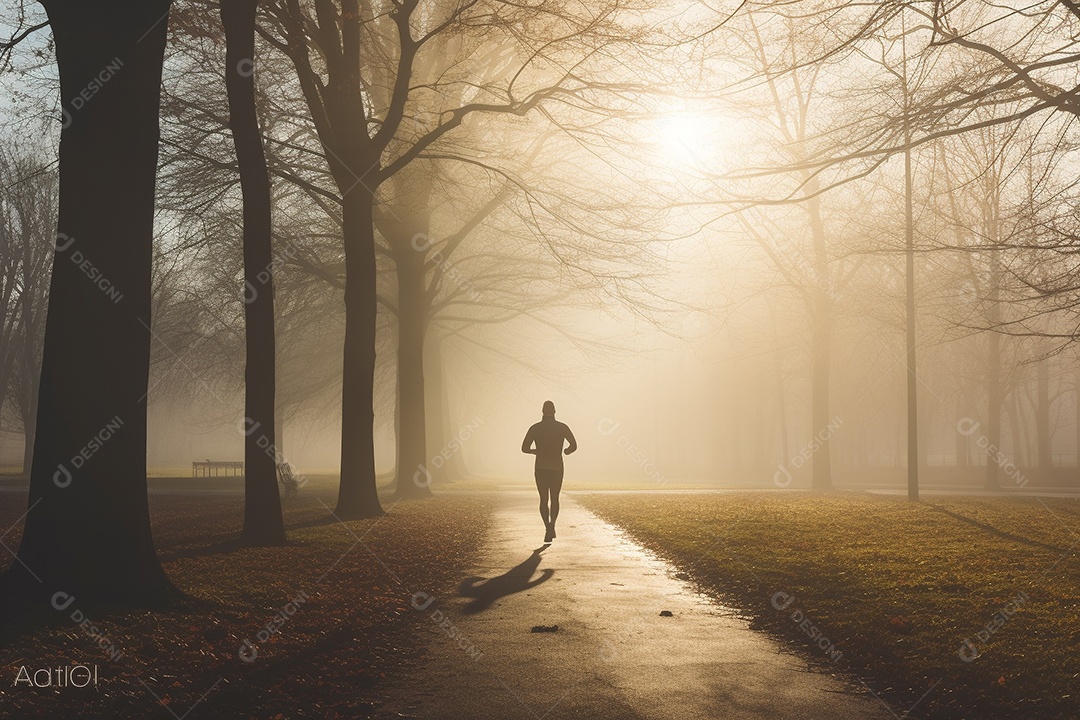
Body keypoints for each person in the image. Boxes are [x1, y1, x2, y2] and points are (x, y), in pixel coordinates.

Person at [521, 400, 577, 543]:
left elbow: (524, 448)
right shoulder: (562, 427)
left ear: (542, 411)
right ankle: (553, 525)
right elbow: (574, 445)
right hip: (557, 467)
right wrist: (566, 451)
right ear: (555, 411)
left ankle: (547, 527)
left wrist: (536, 451)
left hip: (541, 467)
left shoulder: (535, 428)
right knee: (555, 498)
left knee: (543, 499)